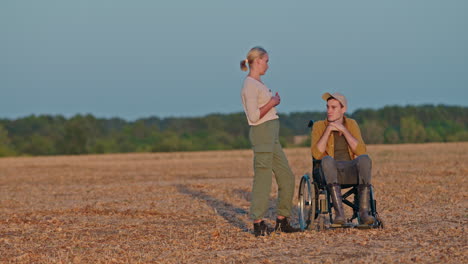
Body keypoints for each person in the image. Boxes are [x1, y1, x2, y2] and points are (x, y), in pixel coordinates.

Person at [240, 46, 299, 236]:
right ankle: (258, 224)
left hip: (272, 136)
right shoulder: (249, 85)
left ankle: (282, 220)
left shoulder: (258, 83)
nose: (267, 65)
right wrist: (272, 102)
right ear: (257, 61)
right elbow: (254, 116)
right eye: (266, 61)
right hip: (262, 134)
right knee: (263, 180)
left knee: (287, 177)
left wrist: (272, 101)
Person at [311, 92, 375, 225]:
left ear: (343, 109)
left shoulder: (351, 123)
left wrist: (344, 131)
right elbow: (316, 154)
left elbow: (361, 150)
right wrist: (328, 130)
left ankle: (364, 213)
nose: (329, 111)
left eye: (333, 107)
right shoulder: (319, 126)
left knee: (364, 158)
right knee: (327, 159)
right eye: (327, 107)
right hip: (329, 171)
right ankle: (339, 215)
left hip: (350, 170)